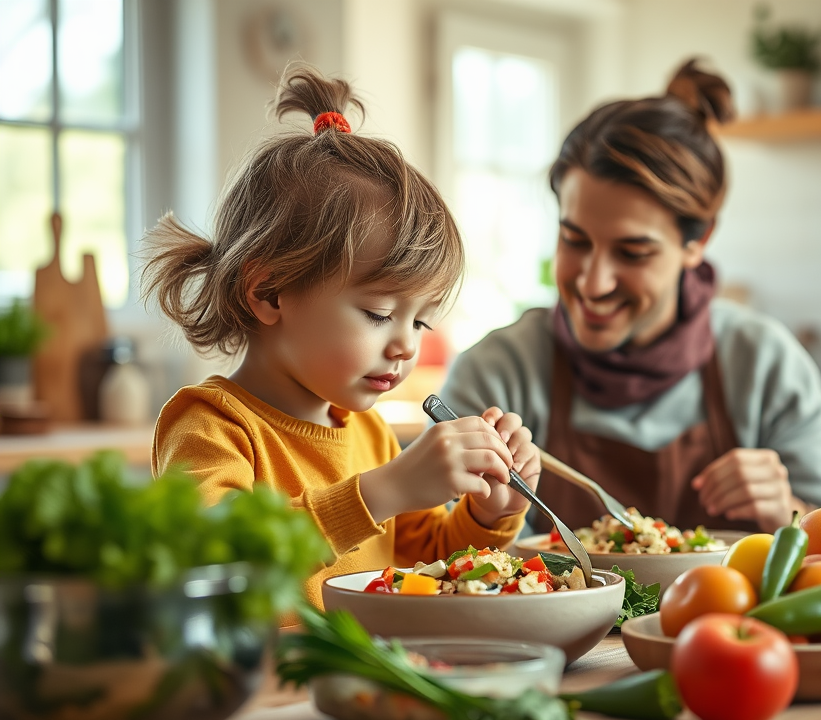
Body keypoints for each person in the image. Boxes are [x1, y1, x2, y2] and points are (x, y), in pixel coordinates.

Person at [143, 64, 539, 609]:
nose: (406, 345)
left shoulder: (370, 435)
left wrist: (489, 512)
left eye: (420, 321)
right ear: (270, 292)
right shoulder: (212, 429)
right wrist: (384, 492)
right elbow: (220, 564)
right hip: (262, 692)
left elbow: (424, 566)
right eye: (378, 314)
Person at [440, 59, 821, 536]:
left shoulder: (766, 364)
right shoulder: (498, 373)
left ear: (696, 243)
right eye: (575, 241)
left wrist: (789, 510)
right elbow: (425, 553)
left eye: (633, 252)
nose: (593, 282)